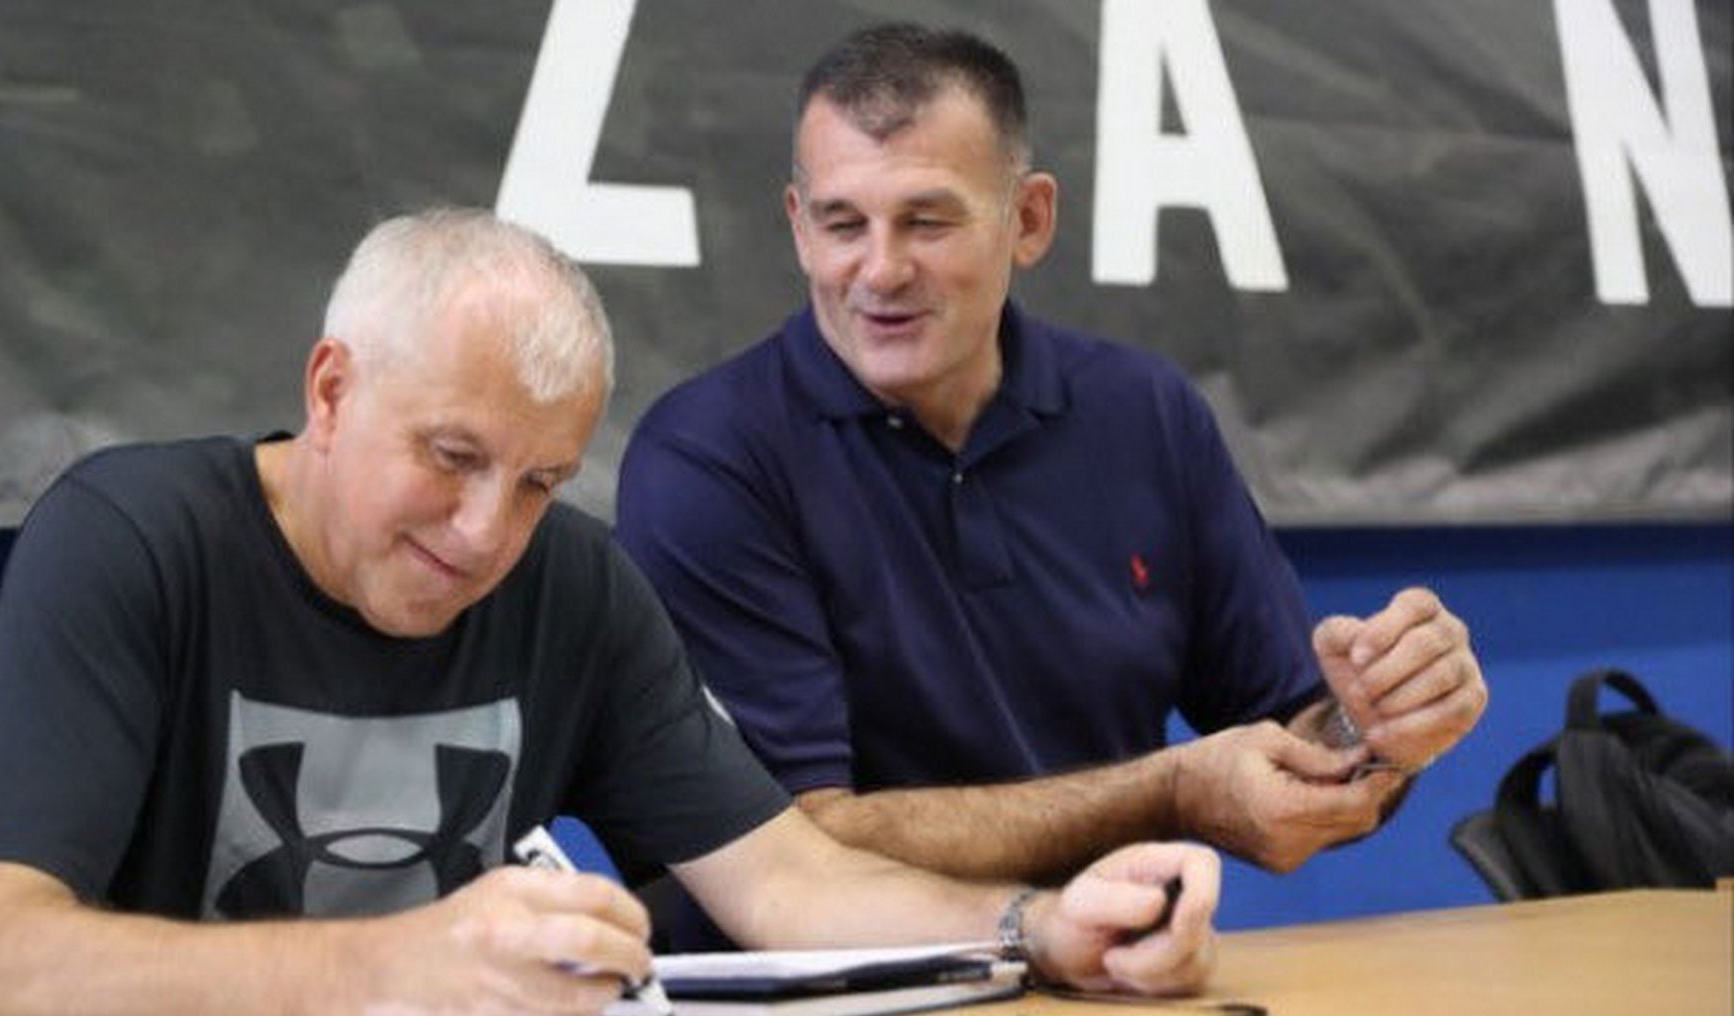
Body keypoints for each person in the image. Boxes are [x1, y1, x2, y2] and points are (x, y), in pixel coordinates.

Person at [0, 208, 1221, 1016]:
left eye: (540, 481)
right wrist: (390, 974)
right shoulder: (133, 540)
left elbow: (788, 882)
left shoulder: (574, 586)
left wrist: (1032, 927)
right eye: (451, 456)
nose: (488, 533)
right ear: (331, 390)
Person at [614, 24, 1489, 895]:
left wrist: (1379, 729)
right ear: (799, 229)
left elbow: (1298, 751)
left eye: (927, 221)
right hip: (838, 985)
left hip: (1127, 963)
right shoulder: (707, 457)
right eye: (843, 224)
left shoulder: (1147, 414)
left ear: (1029, 220)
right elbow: (790, 853)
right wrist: (1170, 792)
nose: (880, 270)